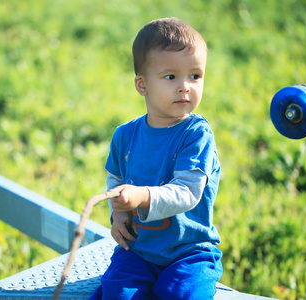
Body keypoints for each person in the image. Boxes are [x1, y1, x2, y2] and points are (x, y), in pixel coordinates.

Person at [91, 17, 223, 300]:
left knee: (184, 294)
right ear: (142, 85)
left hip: (188, 251)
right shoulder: (125, 135)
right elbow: (116, 177)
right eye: (171, 76)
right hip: (139, 249)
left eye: (195, 76)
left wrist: (141, 196)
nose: (185, 86)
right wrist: (121, 213)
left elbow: (188, 191)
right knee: (117, 293)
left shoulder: (196, 134)